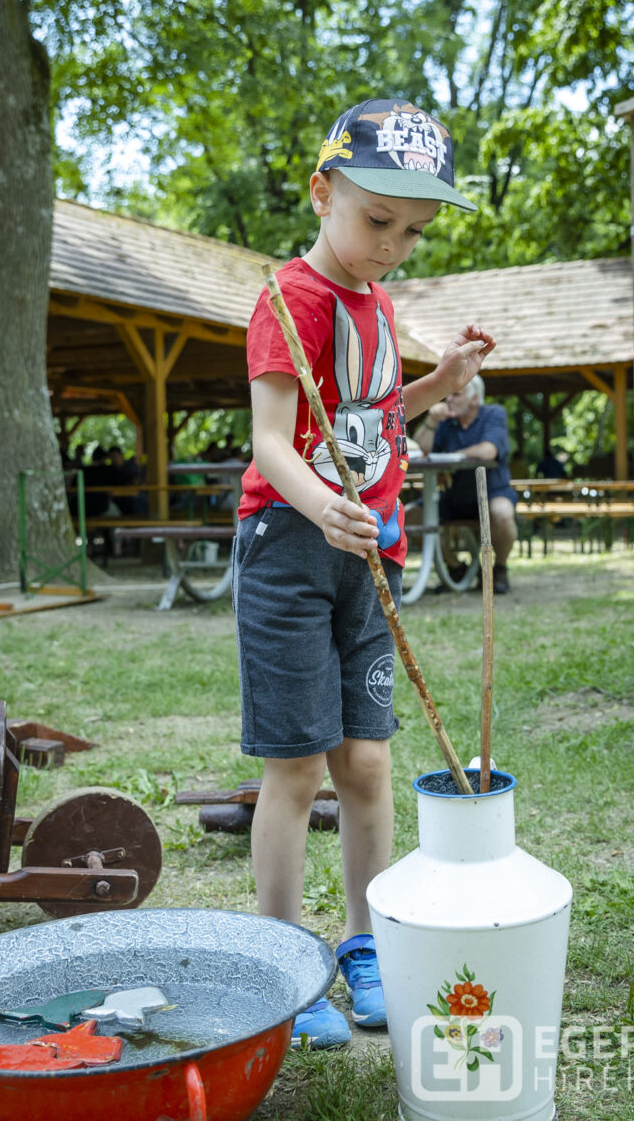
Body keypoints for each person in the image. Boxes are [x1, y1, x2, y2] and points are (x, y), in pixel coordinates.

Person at [234, 97, 496, 1049]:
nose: (392, 246)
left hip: (367, 556)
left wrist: (443, 382)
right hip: (293, 549)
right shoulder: (288, 300)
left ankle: (363, 942)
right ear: (321, 191)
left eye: (413, 232)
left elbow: (380, 418)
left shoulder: (378, 305)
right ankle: (283, 961)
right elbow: (272, 442)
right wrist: (323, 506)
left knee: (369, 762)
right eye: (377, 220)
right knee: (298, 767)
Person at [415, 375, 517, 595]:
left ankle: (499, 568)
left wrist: (453, 456)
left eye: (455, 394)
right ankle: (456, 568)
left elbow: (488, 451)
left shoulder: (493, 414)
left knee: (501, 513)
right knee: (410, 515)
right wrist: (431, 421)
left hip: (492, 491)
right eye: (448, 394)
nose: (448, 400)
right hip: (452, 496)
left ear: (475, 399)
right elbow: (422, 450)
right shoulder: (445, 422)